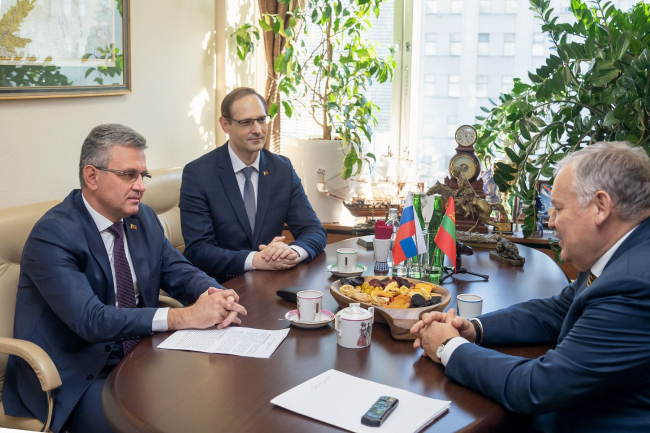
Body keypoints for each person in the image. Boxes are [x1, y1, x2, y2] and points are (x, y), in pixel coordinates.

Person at [2, 124, 247, 433]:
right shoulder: (53, 235)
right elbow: (92, 320)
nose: (141, 186)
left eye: (143, 175)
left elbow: (179, 272)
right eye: (129, 175)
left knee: (217, 401)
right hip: (75, 377)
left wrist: (217, 294)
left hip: (140, 357)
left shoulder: (141, 218)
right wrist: (184, 317)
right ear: (92, 177)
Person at [411, 141, 650, 432]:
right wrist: (472, 329)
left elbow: (537, 387)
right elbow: (557, 310)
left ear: (601, 207)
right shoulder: (621, 254)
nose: (551, 222)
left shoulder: (632, 284)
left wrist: (448, 346)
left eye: (558, 208)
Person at [180, 87, 327, 282]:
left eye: (261, 120)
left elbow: (313, 230)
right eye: (246, 122)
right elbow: (198, 250)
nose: (257, 129)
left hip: (271, 282)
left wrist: (293, 252)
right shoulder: (199, 174)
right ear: (225, 125)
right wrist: (255, 260)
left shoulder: (282, 169)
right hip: (220, 287)